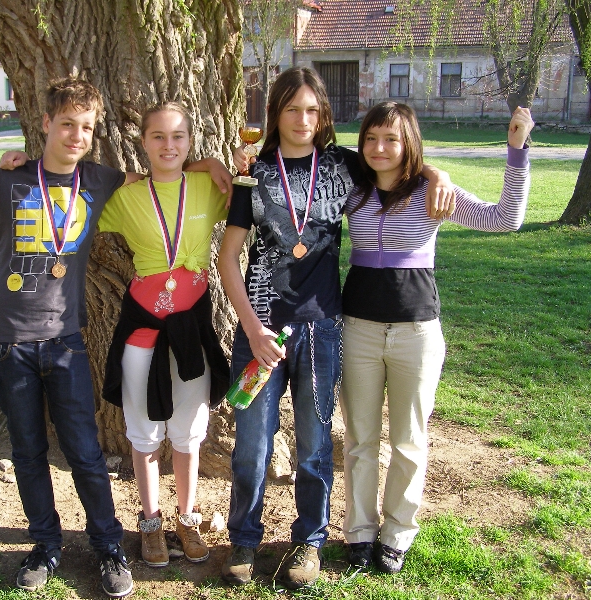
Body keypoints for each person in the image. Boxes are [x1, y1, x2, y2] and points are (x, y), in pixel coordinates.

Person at [0, 77, 230, 598]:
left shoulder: (99, 179)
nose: (76, 135)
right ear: (46, 124)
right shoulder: (8, 178)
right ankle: (45, 545)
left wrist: (207, 163)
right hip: (8, 339)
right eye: (67, 124)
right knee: (29, 451)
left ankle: (108, 546)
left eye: (87, 127)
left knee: (84, 450)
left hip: (65, 340)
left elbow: (163, 172)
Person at [218, 66, 454, 590]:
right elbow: (227, 256)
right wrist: (251, 328)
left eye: (312, 109)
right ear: (275, 114)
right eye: (291, 109)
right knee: (252, 444)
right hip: (261, 332)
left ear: (323, 114)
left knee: (315, 443)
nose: (302, 119)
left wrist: (437, 174)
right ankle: (244, 540)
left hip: (322, 329)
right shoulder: (253, 173)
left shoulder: (345, 165)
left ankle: (310, 541)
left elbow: (399, 162)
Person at [340, 102, 533, 574]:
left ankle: (396, 532)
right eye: (371, 138)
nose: (379, 148)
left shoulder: (433, 192)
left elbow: (505, 218)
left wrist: (516, 151)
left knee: (408, 439)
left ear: (409, 143)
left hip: (416, 333)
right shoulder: (351, 186)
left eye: (392, 139)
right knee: (360, 439)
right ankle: (360, 531)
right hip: (358, 331)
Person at [97, 102, 230, 569]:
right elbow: (71, 193)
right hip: (143, 330)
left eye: (178, 136)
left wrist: (211, 164)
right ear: (143, 143)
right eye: (158, 136)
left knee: (189, 431)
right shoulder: (126, 196)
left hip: (191, 330)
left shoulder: (209, 187)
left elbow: (252, 194)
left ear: (190, 141)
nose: (168, 145)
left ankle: (187, 517)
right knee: (144, 432)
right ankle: (150, 521)